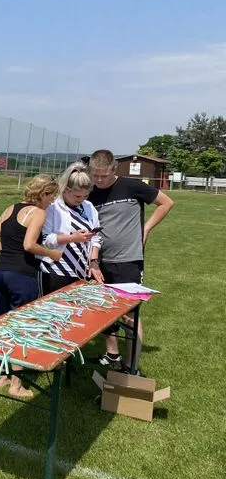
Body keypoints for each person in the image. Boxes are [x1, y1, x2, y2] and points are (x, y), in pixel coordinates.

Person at [88, 149, 174, 373]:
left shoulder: (132, 186)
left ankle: (131, 366)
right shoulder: (90, 193)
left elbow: (166, 203)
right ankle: (112, 354)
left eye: (104, 175)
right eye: (95, 175)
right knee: (103, 309)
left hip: (128, 260)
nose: (99, 180)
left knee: (129, 314)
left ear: (114, 169)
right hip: (98, 262)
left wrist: (146, 228)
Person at [0, 174, 63, 397]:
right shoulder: (38, 212)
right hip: (22, 276)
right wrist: (51, 253)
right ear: (43, 194)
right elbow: (29, 245)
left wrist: (10, 253)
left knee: (4, 325)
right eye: (52, 197)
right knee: (22, 327)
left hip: (0, 272)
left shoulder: (10, 208)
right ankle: (16, 385)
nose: (52, 202)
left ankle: (3, 375)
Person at [39, 162, 102, 296]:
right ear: (66, 189)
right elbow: (46, 239)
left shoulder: (89, 207)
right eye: (78, 196)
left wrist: (93, 262)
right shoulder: (53, 207)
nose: (82, 200)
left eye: (85, 196)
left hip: (81, 272)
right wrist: (72, 238)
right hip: (55, 270)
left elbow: (96, 237)